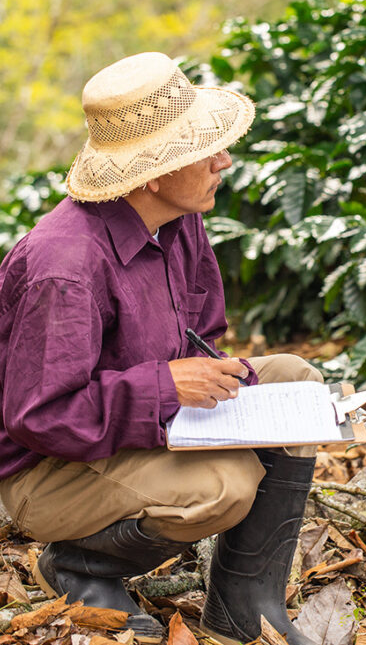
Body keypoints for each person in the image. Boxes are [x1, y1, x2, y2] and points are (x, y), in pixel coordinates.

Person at [0, 52, 322, 645]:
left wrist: (205, 385)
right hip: (47, 468)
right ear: (155, 171)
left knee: (297, 381)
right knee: (223, 487)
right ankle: (80, 566)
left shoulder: (178, 217)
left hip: (138, 427)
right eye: (208, 150)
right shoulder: (65, 266)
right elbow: (38, 417)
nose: (225, 160)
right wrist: (165, 388)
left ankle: (245, 604)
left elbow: (205, 328)